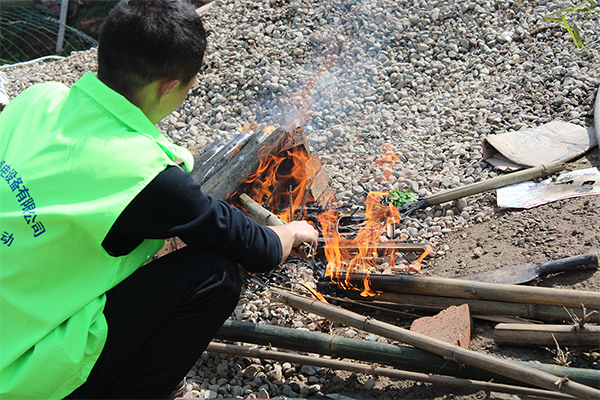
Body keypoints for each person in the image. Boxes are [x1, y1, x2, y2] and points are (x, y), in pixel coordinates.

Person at [0, 0, 318, 398]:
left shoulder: (37, 100)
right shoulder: (143, 173)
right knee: (213, 277)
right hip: (16, 375)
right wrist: (289, 233)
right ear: (169, 86)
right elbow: (252, 246)